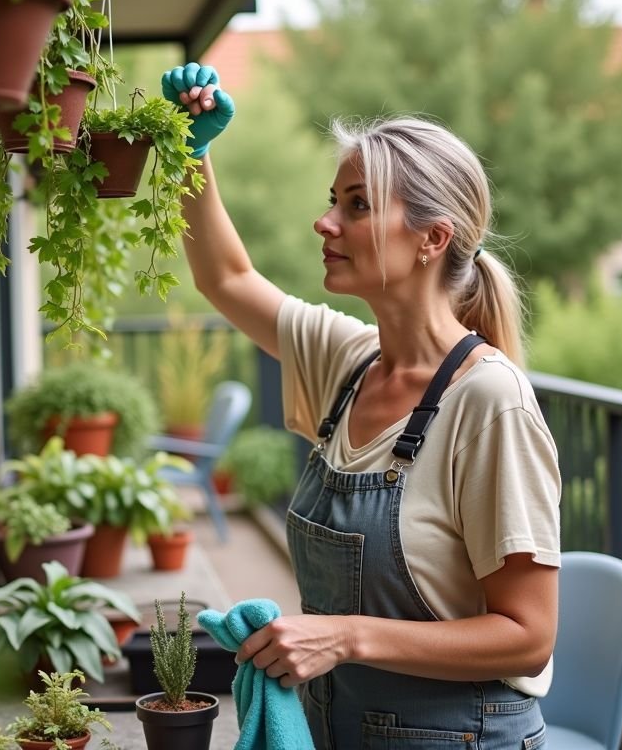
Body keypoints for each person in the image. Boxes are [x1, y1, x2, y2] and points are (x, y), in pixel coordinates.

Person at [160, 62, 562, 749]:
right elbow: (225, 278)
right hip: (337, 727)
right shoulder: (348, 362)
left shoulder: (490, 403)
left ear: (432, 238)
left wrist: (342, 637)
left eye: (357, 205)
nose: (325, 222)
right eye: (333, 200)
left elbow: (527, 637)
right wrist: (188, 151)